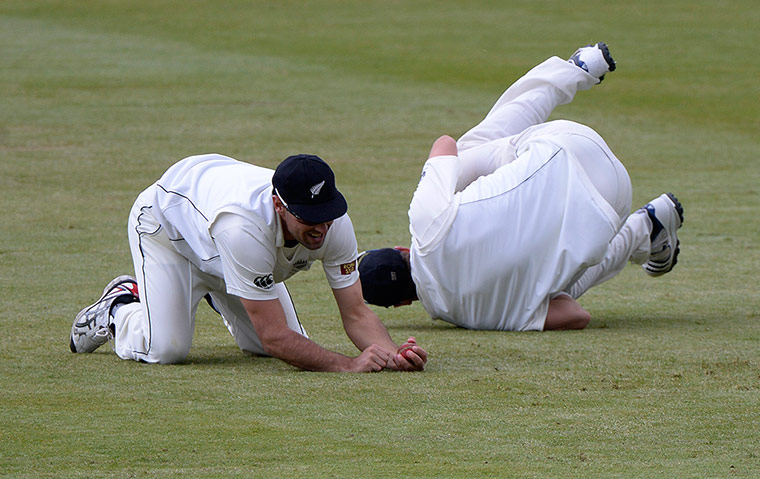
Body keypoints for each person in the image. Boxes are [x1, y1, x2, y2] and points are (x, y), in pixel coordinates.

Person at [358, 43, 684, 331]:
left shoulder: (468, 315)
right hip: (567, 142)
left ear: (401, 305)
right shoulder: (424, 223)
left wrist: (533, 295)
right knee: (468, 149)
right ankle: (576, 70)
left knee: (552, 281)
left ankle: (645, 226)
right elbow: (444, 144)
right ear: (402, 249)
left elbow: (575, 315)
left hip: (614, 200)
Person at [70, 153, 427, 371]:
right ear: (278, 205)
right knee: (165, 349)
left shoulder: (336, 226)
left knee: (279, 348)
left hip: (226, 243)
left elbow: (357, 313)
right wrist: (348, 365)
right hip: (167, 228)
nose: (320, 227)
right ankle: (118, 306)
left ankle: (221, 290)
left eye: (326, 214)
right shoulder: (243, 227)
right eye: (308, 217)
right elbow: (275, 336)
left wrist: (393, 354)